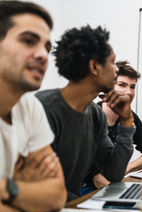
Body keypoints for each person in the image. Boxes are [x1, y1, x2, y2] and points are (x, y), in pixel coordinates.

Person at [36, 25, 135, 201]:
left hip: (67, 209)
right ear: (94, 66)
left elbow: (113, 175)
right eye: (112, 62)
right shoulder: (44, 108)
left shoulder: (95, 114)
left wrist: (126, 122)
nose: (117, 69)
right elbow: (39, 185)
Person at [0, 0, 66, 212]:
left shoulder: (29, 106)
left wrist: (9, 187)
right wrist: (26, 202)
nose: (42, 55)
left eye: (46, 47)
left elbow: (56, 195)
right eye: (28, 41)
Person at [81, 61, 142, 194]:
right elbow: (89, 169)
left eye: (132, 87)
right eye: (122, 85)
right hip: (85, 187)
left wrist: (127, 167)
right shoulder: (91, 113)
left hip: (111, 183)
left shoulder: (129, 116)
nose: (128, 92)